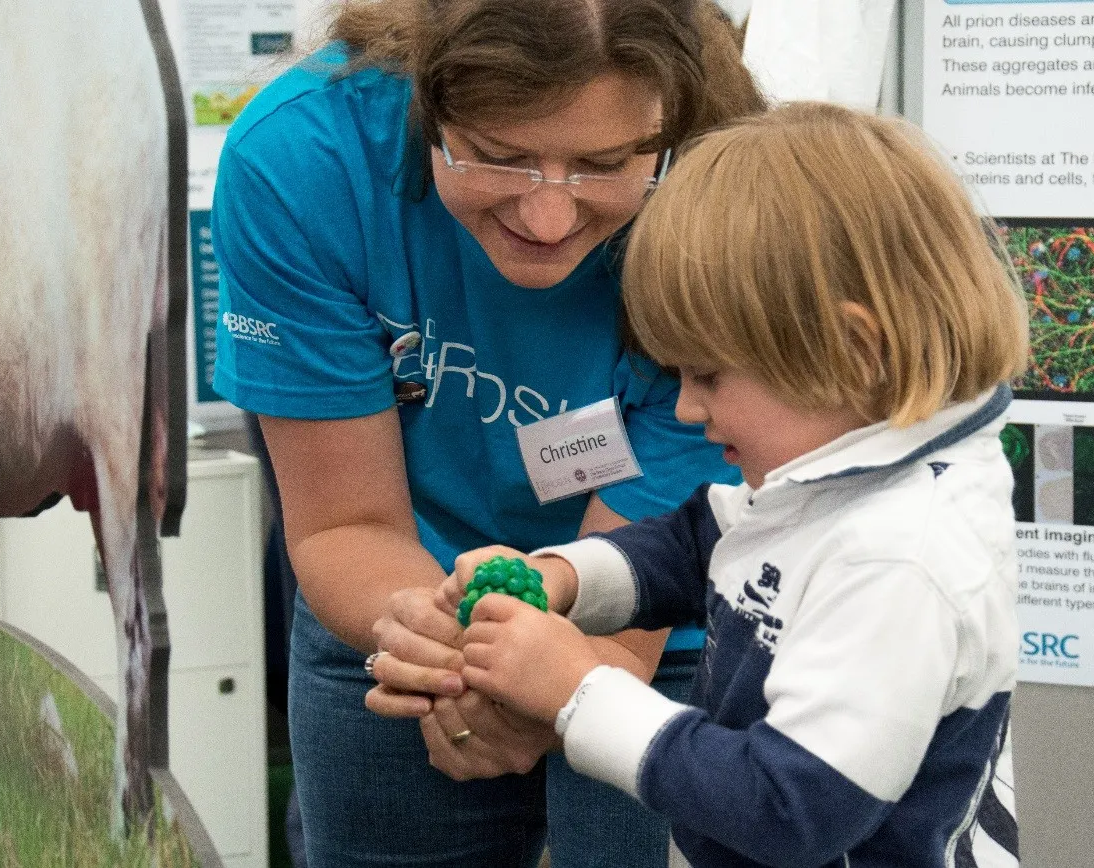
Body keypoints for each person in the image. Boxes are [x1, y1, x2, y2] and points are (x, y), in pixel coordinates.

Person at [208, 0, 765, 865]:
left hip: (668, 615)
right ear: (426, 103)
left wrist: (560, 689)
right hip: (400, 613)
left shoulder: (728, 187)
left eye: (604, 165)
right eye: (499, 158)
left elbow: (663, 552)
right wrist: (456, 664)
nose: (547, 220)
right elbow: (347, 524)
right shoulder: (305, 161)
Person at [440, 102, 1029, 868]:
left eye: (707, 374)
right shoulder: (841, 474)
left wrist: (578, 690)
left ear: (853, 351)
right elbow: (700, 542)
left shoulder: (902, 557)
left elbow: (793, 808)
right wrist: (562, 578)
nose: (687, 407)